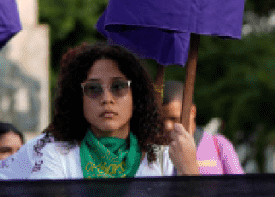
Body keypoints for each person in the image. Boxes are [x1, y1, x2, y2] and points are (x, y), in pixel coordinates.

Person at [25, 43, 199, 179]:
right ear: (79, 99)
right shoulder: (55, 155)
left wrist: (190, 172)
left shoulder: (164, 160)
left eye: (118, 86)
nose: (107, 98)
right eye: (93, 88)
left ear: (136, 96)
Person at [163, 80, 243, 174]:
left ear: (192, 111)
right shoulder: (152, 152)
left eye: (174, 118)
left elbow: (241, 187)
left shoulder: (219, 145)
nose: (167, 126)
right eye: (161, 119)